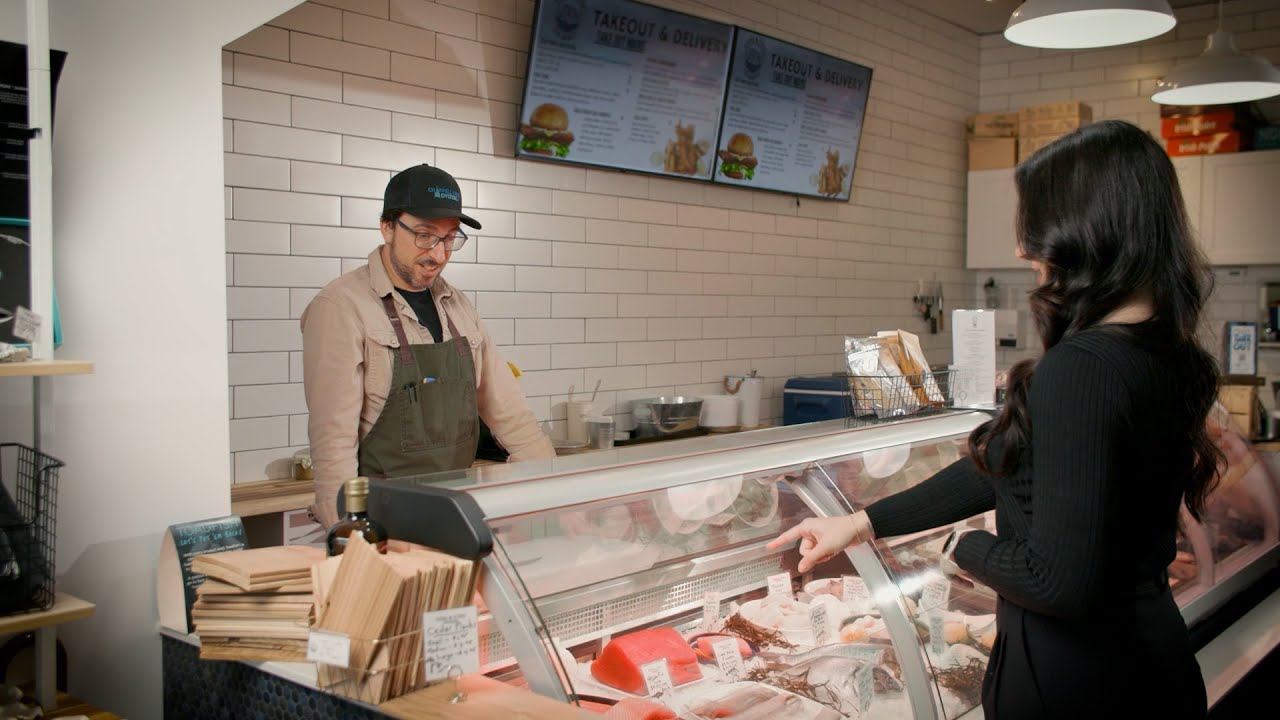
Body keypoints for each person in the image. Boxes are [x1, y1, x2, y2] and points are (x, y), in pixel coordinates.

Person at [769, 120, 1221, 719]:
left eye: (1035, 223)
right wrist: (864, 522)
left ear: (1088, 229)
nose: (1021, 249)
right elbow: (1017, 468)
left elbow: (1058, 583)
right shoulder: (1171, 352)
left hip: (1078, 688)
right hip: (1151, 667)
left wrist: (962, 546)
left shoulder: (1082, 367)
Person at [301, 164, 554, 527]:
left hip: (454, 514)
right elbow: (332, 443)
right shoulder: (341, 307)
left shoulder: (458, 306)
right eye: (424, 235)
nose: (438, 254)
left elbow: (510, 412)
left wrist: (554, 494)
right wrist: (349, 535)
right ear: (387, 227)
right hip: (382, 522)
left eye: (450, 238)